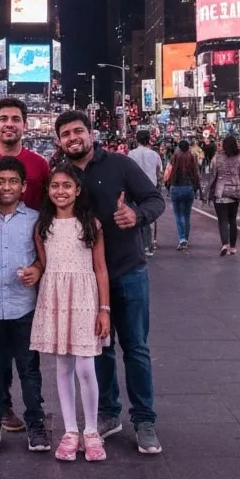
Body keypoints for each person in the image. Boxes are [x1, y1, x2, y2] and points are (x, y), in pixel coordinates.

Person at [55, 109, 164, 455]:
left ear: (90, 133)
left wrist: (137, 215)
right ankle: (108, 413)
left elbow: (154, 199)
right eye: (66, 134)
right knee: (97, 349)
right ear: (60, 141)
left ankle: (144, 420)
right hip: (85, 278)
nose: (73, 138)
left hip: (127, 270)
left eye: (78, 131)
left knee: (136, 348)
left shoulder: (121, 165)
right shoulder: (61, 173)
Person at [30, 163, 111, 462]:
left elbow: (100, 269)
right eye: (55, 186)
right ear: (48, 191)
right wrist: (33, 272)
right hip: (55, 298)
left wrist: (105, 309)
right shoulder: (42, 227)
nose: (60, 191)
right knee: (62, 367)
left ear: (78, 190)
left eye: (67, 186)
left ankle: (91, 430)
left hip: (86, 299)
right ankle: (70, 430)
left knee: (86, 367)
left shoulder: (91, 225)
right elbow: (43, 265)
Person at [0, 157, 50, 454]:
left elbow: (45, 256)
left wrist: (37, 269)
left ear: (24, 186)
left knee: (29, 368)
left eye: (13, 182)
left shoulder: (35, 219)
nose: (6, 187)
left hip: (24, 307)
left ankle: (36, 423)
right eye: (0, 181)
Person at [204, 135, 240, 256]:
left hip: (220, 191)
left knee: (222, 220)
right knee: (233, 220)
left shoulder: (217, 158)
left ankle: (224, 245)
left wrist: (207, 190)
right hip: (235, 190)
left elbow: (212, 174)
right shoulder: (239, 158)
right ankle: (233, 247)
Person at [127, 130, 163, 256]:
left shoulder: (131, 154)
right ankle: (150, 244)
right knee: (150, 217)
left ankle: (141, 245)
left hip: (134, 189)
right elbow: (159, 171)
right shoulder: (154, 154)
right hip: (151, 188)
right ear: (148, 140)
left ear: (136, 140)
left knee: (136, 216)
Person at [163, 140, 200, 250]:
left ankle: (181, 239)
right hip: (188, 188)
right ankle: (186, 239)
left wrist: (168, 185)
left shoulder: (174, 157)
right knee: (187, 215)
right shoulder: (192, 157)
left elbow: (167, 173)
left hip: (175, 188)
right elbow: (196, 174)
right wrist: (197, 188)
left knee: (178, 215)